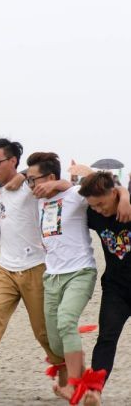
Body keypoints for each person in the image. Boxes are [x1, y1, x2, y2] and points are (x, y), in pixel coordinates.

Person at [0, 138, 69, 388]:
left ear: (13, 161)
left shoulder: (31, 188)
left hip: (35, 267)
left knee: (42, 329)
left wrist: (23, 176)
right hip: (5, 267)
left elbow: (64, 185)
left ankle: (64, 367)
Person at [25, 152, 105, 401]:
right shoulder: (37, 200)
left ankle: (72, 384)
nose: (30, 184)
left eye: (33, 179)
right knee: (55, 341)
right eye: (28, 180)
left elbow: (99, 184)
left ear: (50, 177)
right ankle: (83, 377)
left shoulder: (74, 195)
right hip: (52, 276)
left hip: (80, 272)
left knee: (66, 321)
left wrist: (62, 183)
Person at [74, 171, 131, 406]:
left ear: (113, 193)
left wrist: (125, 196)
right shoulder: (93, 214)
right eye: (93, 206)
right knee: (106, 338)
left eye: (101, 204)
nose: (98, 210)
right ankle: (95, 390)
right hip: (116, 290)